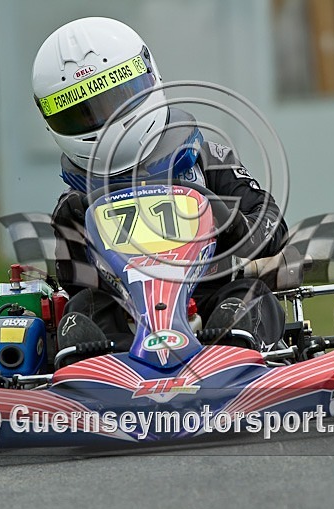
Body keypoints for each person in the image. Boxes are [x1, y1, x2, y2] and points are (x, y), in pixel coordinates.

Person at [32, 17, 287, 353]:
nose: (104, 120)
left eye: (116, 99)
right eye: (80, 112)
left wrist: (236, 225)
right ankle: (105, 379)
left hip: (210, 298)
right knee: (81, 313)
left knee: (248, 299)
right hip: (125, 317)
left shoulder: (205, 160)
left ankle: (235, 359)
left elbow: (272, 223)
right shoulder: (76, 203)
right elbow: (75, 284)